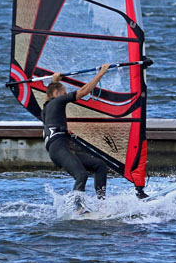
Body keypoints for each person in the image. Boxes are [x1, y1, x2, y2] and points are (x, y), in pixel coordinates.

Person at [43, 64, 148, 204]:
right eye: (64, 92)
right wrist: (101, 73)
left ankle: (101, 203)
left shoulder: (46, 107)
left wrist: (55, 82)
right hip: (59, 148)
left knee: (99, 166)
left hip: (61, 148)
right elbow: (84, 91)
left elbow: (50, 94)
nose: (65, 95)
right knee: (81, 175)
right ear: (57, 94)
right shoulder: (58, 101)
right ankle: (78, 208)